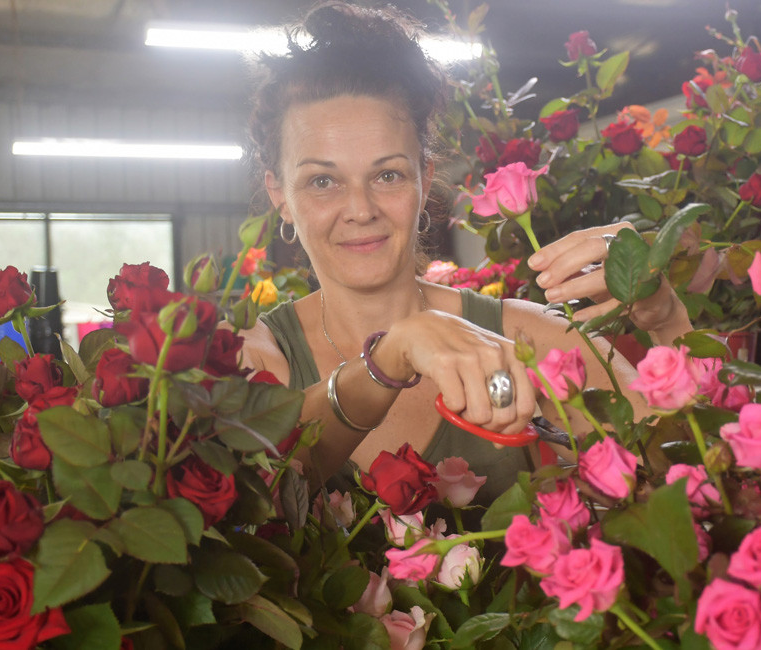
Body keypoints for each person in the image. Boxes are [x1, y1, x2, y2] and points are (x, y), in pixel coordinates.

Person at [237, 2, 692, 502]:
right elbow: (258, 499)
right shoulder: (253, 360)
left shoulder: (530, 336)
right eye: (322, 181)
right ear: (280, 196)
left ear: (425, 179)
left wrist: (667, 320)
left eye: (387, 174)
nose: (360, 209)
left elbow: (691, 484)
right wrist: (388, 358)